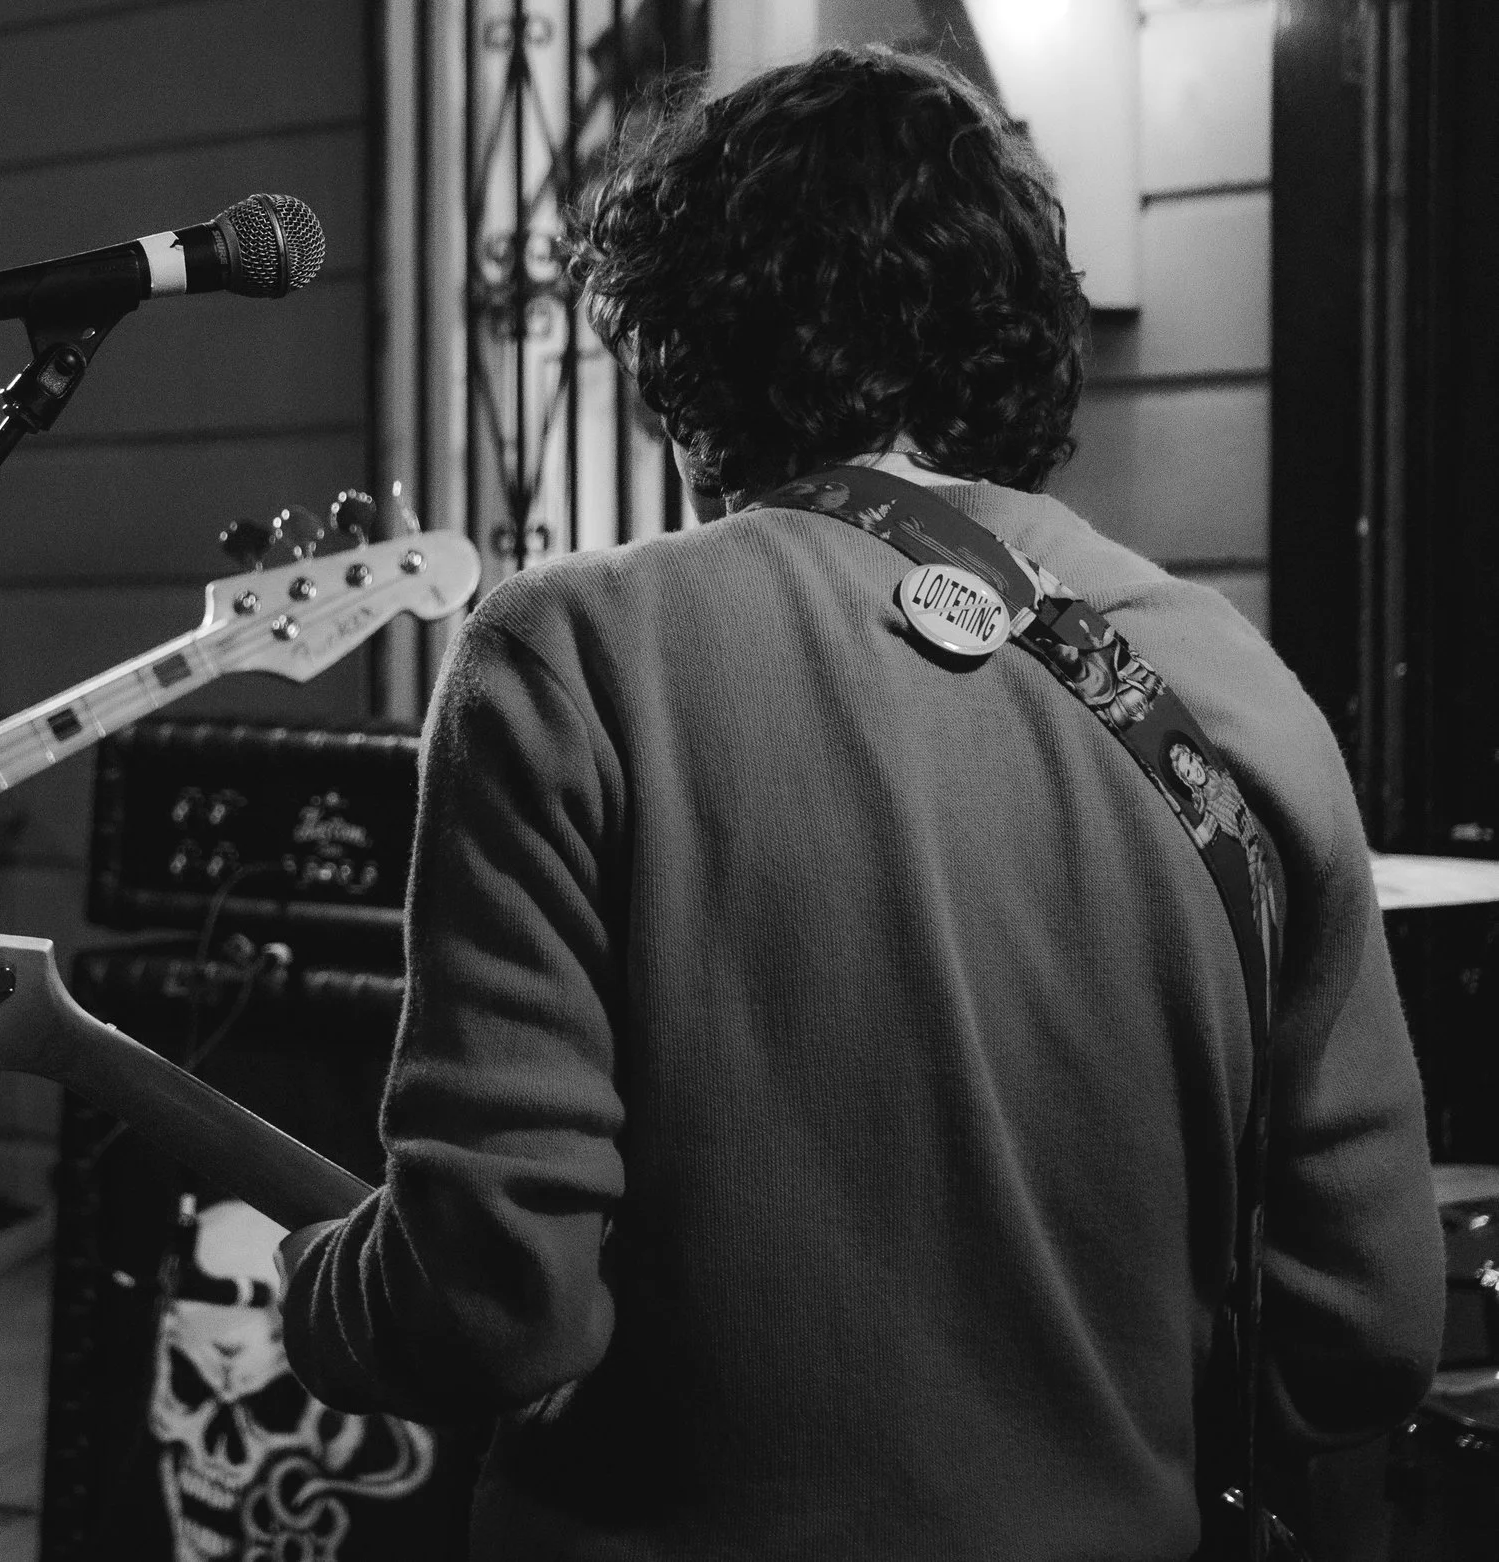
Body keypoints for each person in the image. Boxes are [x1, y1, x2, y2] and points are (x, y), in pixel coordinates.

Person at [277, 48, 1444, 1559]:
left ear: (696, 357)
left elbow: (495, 1302)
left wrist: (322, 1288)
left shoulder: (567, 653)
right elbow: (1367, 1332)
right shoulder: (1242, 696)